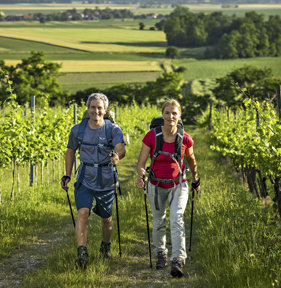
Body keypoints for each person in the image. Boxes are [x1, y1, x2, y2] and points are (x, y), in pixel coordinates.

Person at [136, 99, 200, 278]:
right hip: (155, 185)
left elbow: (192, 162)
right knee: (158, 221)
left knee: (176, 218)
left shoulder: (185, 138)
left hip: (178, 185)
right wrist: (141, 176)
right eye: (167, 113)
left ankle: (178, 259)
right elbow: (141, 163)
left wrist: (196, 180)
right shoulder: (151, 136)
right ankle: (160, 254)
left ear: (179, 116)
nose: (170, 116)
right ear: (162, 114)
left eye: (174, 113)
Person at [61, 93, 126, 268]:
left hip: (106, 178)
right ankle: (82, 252)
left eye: (100, 108)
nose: (96, 111)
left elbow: (121, 149)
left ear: (105, 110)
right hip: (85, 178)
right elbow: (70, 151)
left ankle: (105, 246)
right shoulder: (77, 130)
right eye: (93, 107)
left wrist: (117, 157)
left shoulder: (113, 129)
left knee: (106, 218)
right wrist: (67, 175)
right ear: (88, 108)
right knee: (82, 213)